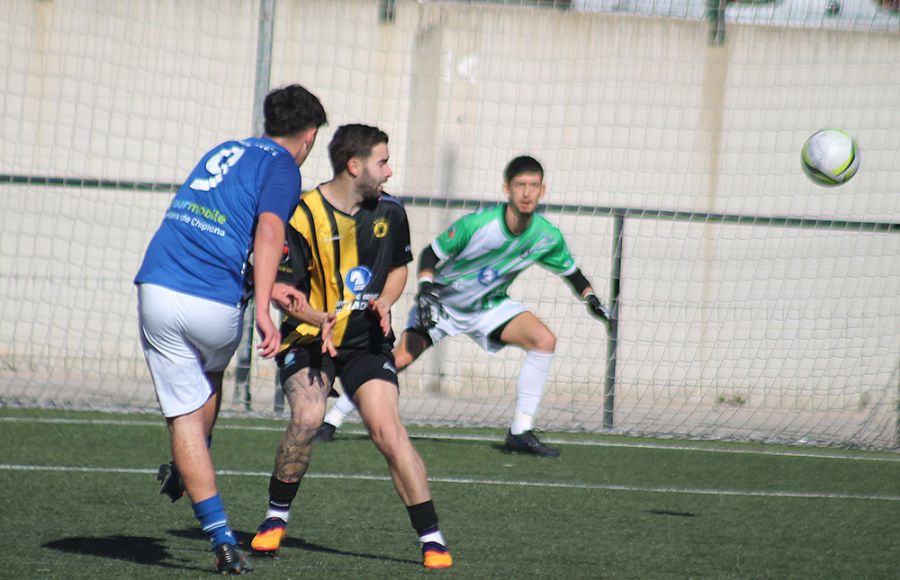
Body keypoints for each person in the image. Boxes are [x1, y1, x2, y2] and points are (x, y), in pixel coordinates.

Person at [134, 84, 326, 574]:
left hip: (157, 285)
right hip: (213, 304)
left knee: (183, 412)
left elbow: (212, 225)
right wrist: (264, 307)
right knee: (205, 387)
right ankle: (197, 482)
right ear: (308, 137)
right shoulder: (283, 166)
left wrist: (266, 290)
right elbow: (268, 231)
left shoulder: (224, 149)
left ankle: (213, 524)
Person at [249, 124, 452, 569]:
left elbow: (399, 267)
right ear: (354, 165)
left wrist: (385, 299)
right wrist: (316, 318)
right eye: (382, 161)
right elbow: (280, 289)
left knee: (388, 431)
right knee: (308, 415)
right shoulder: (301, 214)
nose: (389, 169)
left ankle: (432, 537)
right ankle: (274, 518)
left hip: (365, 341)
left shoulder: (391, 212)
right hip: (308, 336)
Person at [315, 155, 609, 458]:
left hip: (487, 308)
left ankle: (520, 431)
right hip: (442, 306)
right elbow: (431, 254)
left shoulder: (546, 236)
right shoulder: (478, 224)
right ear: (506, 188)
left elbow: (572, 273)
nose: (526, 192)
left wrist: (591, 298)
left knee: (544, 340)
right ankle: (331, 420)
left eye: (533, 185)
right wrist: (426, 290)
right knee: (396, 359)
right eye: (520, 185)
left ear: (542, 191)